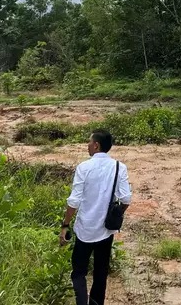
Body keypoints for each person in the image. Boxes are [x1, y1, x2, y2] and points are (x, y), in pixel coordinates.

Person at [60, 129, 132, 305]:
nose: (87, 145)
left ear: (96, 145)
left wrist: (65, 225)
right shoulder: (119, 167)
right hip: (106, 230)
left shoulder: (84, 167)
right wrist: (116, 214)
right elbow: (126, 199)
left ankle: (81, 302)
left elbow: (74, 201)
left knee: (78, 272)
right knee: (100, 273)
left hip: (85, 228)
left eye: (89, 142)